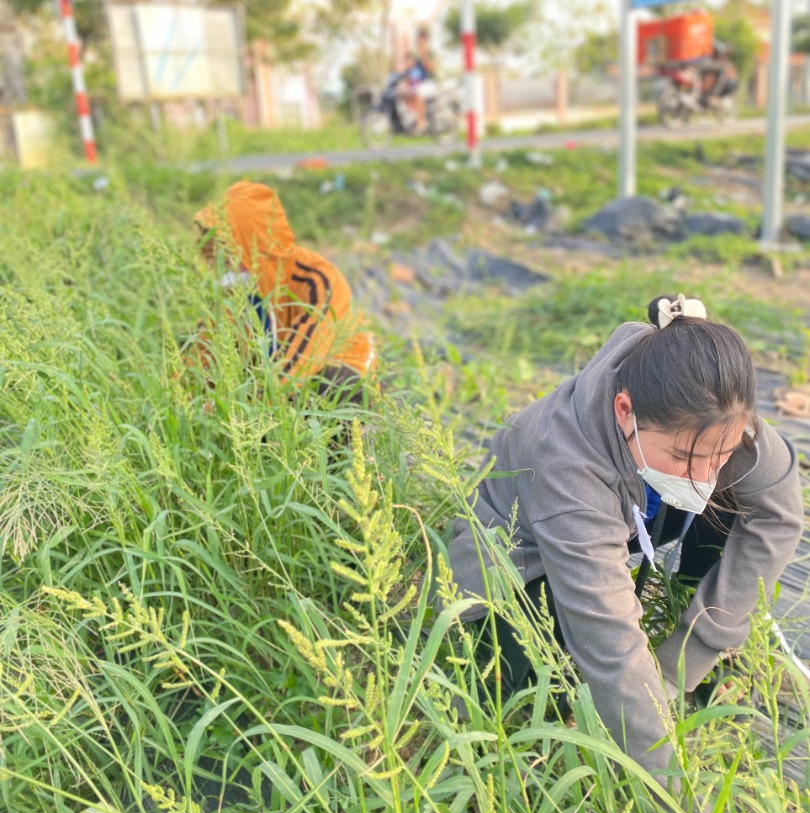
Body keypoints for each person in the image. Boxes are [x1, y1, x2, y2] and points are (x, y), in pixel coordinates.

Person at [447, 294, 804, 780]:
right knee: (536, 694)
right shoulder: (564, 457)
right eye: (683, 457)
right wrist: (677, 809)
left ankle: (699, 664)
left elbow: (778, 517)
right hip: (522, 563)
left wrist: (687, 658)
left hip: (628, 527)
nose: (703, 476)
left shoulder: (723, 422)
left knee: (732, 501)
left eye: (720, 455)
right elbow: (611, 645)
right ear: (624, 411)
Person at [192, 180, 375, 399]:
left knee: (336, 384)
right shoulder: (235, 289)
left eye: (226, 252)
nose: (220, 265)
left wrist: (250, 410)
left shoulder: (316, 279)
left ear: (251, 246)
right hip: (275, 386)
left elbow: (304, 359)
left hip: (329, 375)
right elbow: (203, 352)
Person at [399, 29, 438, 134]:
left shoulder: (430, 53)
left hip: (430, 83)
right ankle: (410, 120)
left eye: (422, 41)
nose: (419, 43)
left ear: (426, 41)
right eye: (418, 41)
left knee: (418, 93)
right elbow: (409, 69)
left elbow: (431, 68)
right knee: (402, 93)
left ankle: (422, 123)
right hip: (418, 83)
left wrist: (424, 56)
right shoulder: (415, 54)